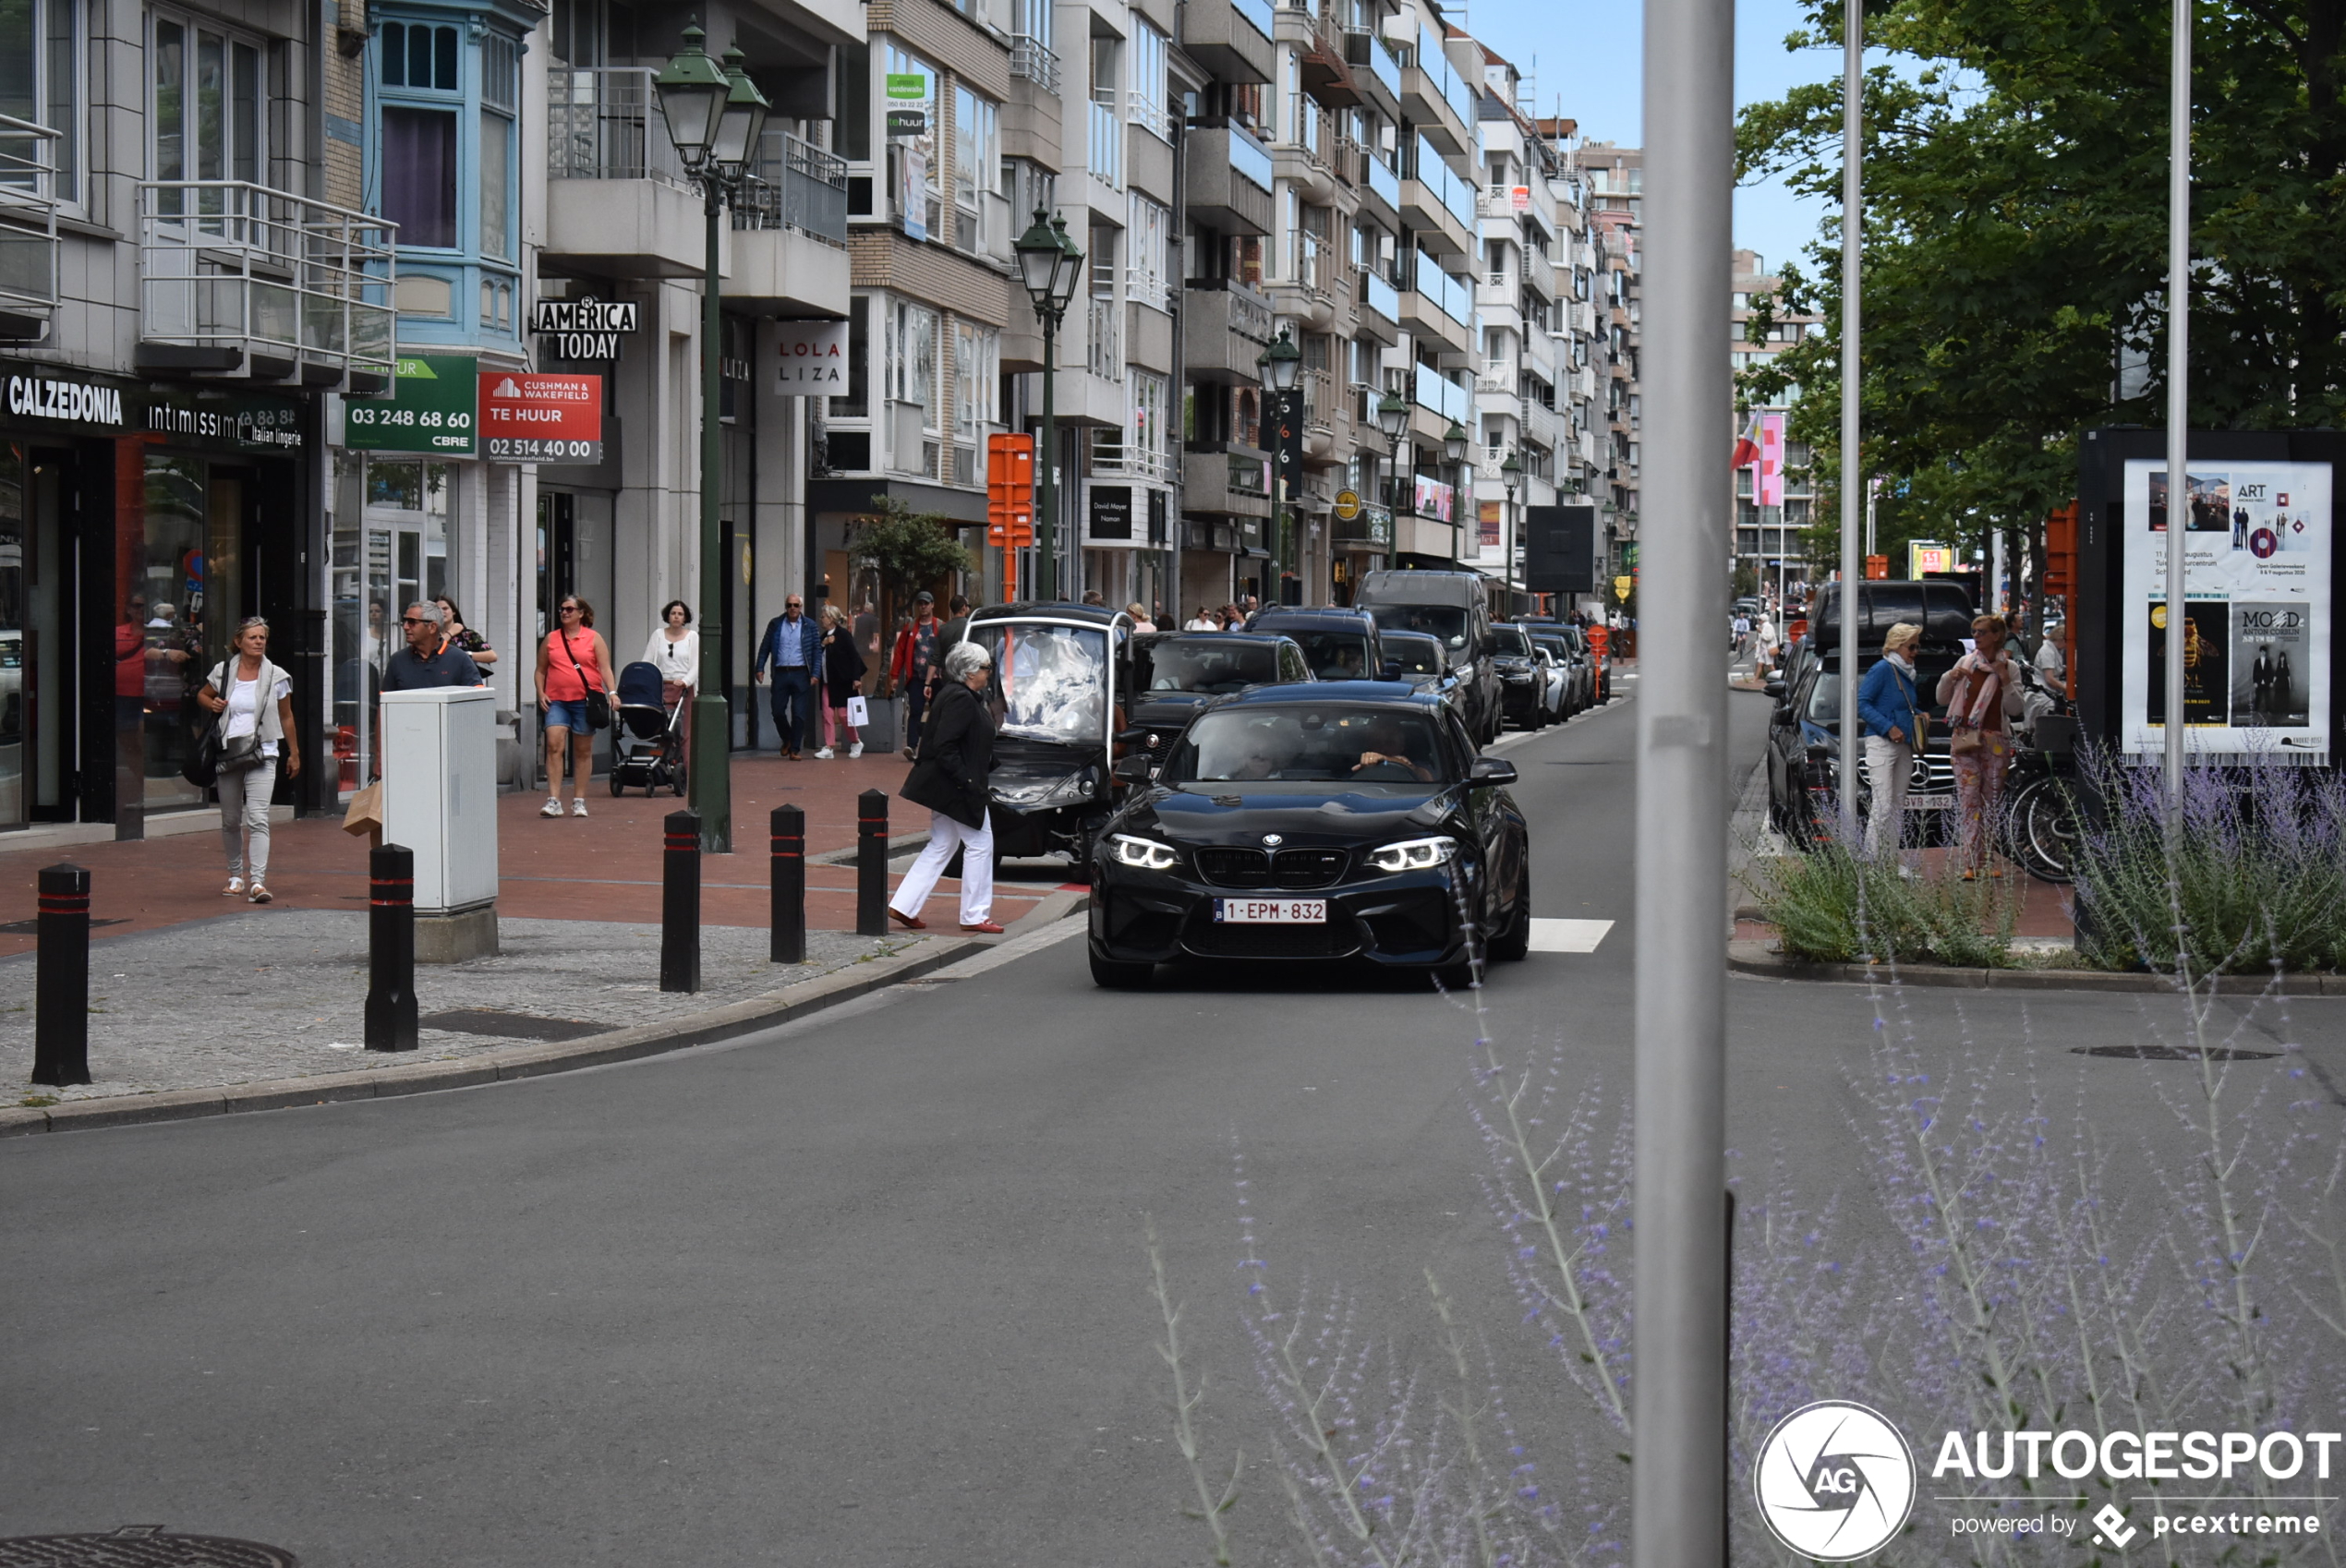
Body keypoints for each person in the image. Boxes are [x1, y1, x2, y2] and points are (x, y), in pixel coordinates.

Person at [889, 640, 1002, 934]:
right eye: (985, 668)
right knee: (980, 844)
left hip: (947, 785)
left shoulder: (957, 695)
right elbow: (945, 744)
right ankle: (974, 914)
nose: (988, 672)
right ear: (969, 672)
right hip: (958, 786)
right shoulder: (962, 698)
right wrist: (967, 781)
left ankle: (904, 904)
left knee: (942, 843)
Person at [194, 616, 302, 904]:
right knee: (230, 820)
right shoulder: (224, 671)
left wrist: (294, 752)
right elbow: (202, 695)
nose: (258, 642)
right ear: (239, 642)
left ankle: (257, 882)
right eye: (253, 638)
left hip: (263, 752)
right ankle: (235, 876)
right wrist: (212, 702)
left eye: (262, 638)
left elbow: (286, 716)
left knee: (257, 818)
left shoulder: (277, 676)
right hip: (228, 753)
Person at [1938, 613, 2024, 879]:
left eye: (1982, 632)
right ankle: (1971, 863)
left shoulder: (2009, 668)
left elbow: (2016, 708)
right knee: (1969, 800)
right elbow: (1942, 699)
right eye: (1973, 632)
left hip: (1995, 741)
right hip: (1965, 739)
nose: (1976, 636)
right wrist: (1950, 678)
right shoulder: (1966, 663)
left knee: (1991, 800)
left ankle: (1988, 857)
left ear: (1996, 636)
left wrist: (2005, 680)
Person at [533, 595, 615, 817]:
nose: (564, 612)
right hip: (557, 700)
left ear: (581, 613)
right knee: (554, 745)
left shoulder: (593, 638)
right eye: (562, 609)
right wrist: (541, 692)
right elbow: (540, 669)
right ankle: (554, 800)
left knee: (582, 750)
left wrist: (613, 692)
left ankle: (579, 800)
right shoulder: (551, 639)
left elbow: (605, 668)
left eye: (570, 609)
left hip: (584, 701)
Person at [1856, 622, 1927, 861]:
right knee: (1883, 805)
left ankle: (1890, 859)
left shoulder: (1906, 671)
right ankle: (1871, 861)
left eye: (1917, 646)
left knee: (1897, 806)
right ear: (1896, 645)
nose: (1916, 652)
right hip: (1881, 742)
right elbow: (1863, 703)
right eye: (1912, 646)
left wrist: (1918, 713)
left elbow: (1898, 705)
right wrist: (1888, 727)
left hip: (1903, 743)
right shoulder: (1883, 669)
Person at [754, 593, 821, 759]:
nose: (792, 608)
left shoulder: (809, 626)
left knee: (799, 714)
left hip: (801, 673)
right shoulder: (776, 624)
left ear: (800, 607)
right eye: (789, 605)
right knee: (777, 711)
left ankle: (795, 750)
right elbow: (765, 647)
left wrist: (815, 673)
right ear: (786, 607)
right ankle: (788, 739)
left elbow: (816, 651)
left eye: (796, 605)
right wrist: (759, 668)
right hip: (781, 673)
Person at [382, 601, 485, 691]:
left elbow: (477, 700)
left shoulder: (460, 659)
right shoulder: (397, 660)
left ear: (432, 627)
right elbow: (384, 704)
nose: (405, 627)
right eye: (404, 621)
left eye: (412, 622)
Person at [889, 591, 945, 754]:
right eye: (920, 603)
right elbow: (900, 651)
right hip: (916, 678)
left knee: (938, 712)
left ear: (932, 605)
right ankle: (912, 746)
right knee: (915, 711)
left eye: (926, 603)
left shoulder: (940, 626)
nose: (923, 606)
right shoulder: (911, 627)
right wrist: (894, 675)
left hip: (937, 679)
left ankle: (936, 746)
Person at [816, 603, 867, 759]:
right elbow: (816, 655)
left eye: (823, 617)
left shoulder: (843, 634)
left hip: (843, 681)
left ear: (831, 618)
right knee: (827, 714)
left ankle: (856, 741)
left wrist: (856, 678)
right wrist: (822, 644)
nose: (821, 620)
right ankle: (829, 746)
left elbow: (854, 657)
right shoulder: (823, 637)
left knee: (844, 715)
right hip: (827, 681)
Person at [643, 600, 698, 710]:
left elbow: (697, 665)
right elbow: (646, 662)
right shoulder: (658, 635)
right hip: (661, 687)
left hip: (684, 688)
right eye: (673, 613)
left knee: (686, 725)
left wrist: (685, 681)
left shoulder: (692, 636)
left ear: (685, 618)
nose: (676, 617)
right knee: (661, 723)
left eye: (680, 614)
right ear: (668, 616)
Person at [434, 596, 497, 668]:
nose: (442, 612)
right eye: (437, 609)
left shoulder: (467, 635)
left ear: (453, 611)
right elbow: (431, 651)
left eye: (445, 608)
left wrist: (465, 655)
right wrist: (451, 632)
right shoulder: (430, 635)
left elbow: (492, 656)